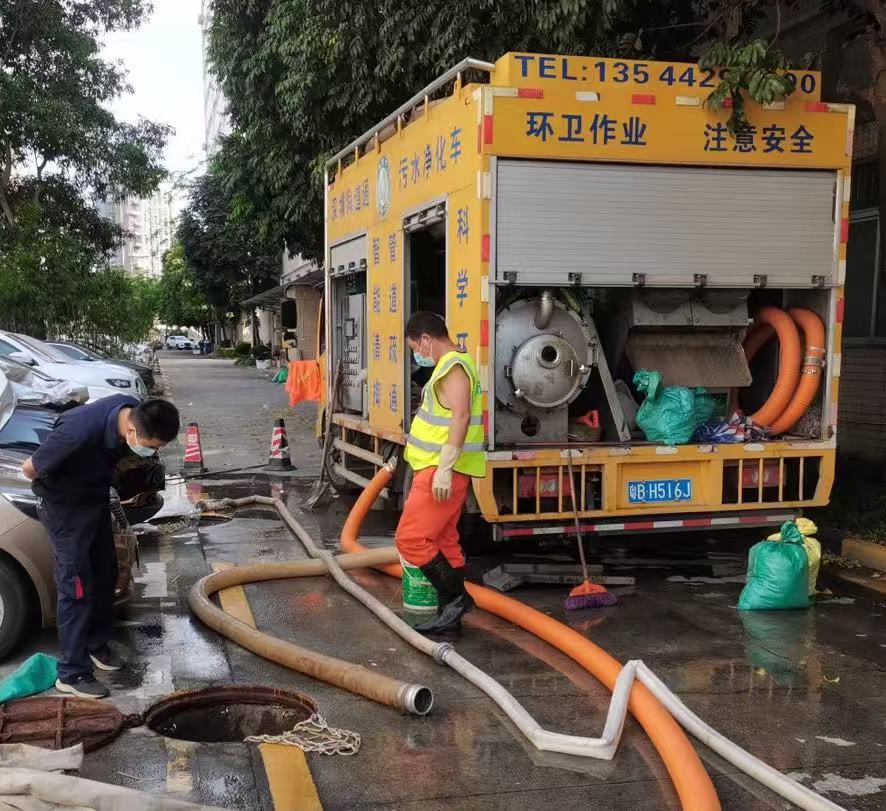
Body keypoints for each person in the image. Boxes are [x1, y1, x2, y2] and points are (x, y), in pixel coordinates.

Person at [22, 396, 180, 698]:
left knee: (105, 573)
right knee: (76, 588)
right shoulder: (77, 431)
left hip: (94, 501)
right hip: (64, 509)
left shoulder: (130, 408)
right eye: (151, 446)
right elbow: (30, 469)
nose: (152, 452)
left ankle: (96, 645)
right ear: (132, 431)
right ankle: (71, 672)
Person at [396, 312, 486, 634]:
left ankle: (457, 599)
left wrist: (445, 469)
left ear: (425, 339)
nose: (416, 355)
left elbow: (460, 417)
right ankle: (450, 614)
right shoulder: (452, 365)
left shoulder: (453, 367)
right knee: (445, 540)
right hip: (438, 468)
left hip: (440, 469)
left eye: (414, 348)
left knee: (410, 539)